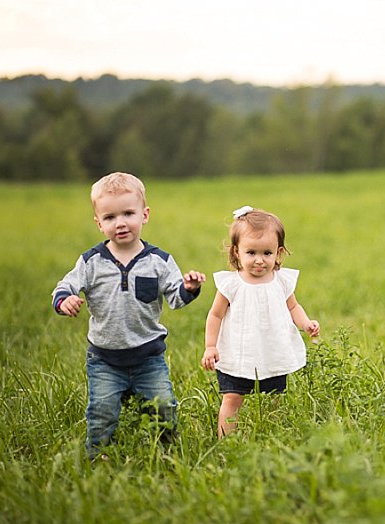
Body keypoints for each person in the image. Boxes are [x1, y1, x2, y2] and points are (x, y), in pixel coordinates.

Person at [52, 172, 206, 459]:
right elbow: (65, 286)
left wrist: (189, 288)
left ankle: (167, 453)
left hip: (148, 357)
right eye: (110, 217)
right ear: (99, 223)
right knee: (102, 412)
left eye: (128, 213)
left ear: (144, 215)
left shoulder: (159, 261)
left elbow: (176, 298)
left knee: (163, 407)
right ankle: (98, 456)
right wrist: (65, 300)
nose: (120, 222)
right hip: (105, 359)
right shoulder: (91, 262)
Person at [202, 205, 320, 437]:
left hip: (271, 350)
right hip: (237, 352)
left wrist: (306, 324)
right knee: (233, 397)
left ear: (279, 252)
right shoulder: (231, 284)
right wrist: (210, 346)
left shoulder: (281, 281)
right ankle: (228, 441)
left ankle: (271, 435)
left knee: (274, 398)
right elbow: (215, 315)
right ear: (237, 252)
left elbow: (293, 306)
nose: (259, 260)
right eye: (251, 253)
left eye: (267, 253)